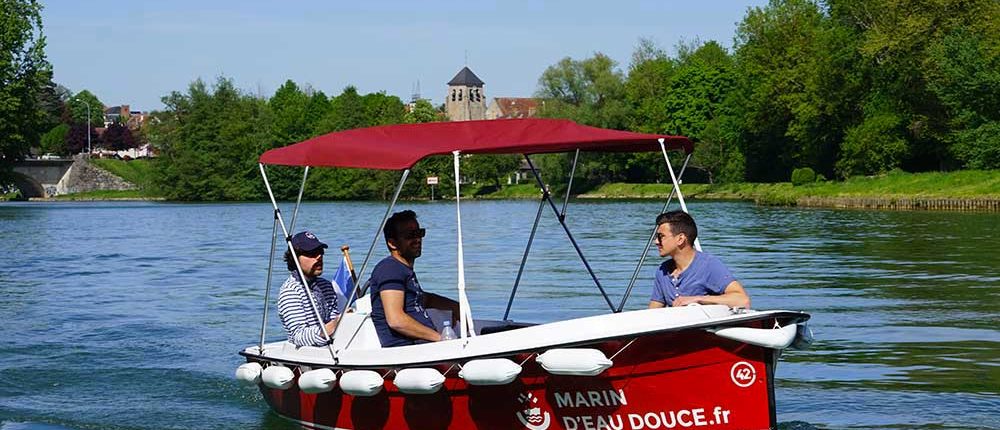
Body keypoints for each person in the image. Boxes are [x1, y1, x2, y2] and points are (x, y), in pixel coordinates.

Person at [368, 210, 460, 347]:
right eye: (410, 235)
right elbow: (396, 320)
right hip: (407, 350)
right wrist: (441, 339)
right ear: (392, 243)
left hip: (424, 346)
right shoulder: (390, 269)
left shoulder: (403, 270)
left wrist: (456, 307)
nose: (417, 239)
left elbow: (422, 299)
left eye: (419, 233)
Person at [648, 211, 750, 309]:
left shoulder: (709, 265)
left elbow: (743, 300)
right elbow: (653, 313)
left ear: (680, 239)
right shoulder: (662, 271)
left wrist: (698, 299)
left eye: (661, 237)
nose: (656, 242)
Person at [277, 231, 341, 347]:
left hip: (333, 346)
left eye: (320, 252)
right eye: (312, 254)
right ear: (295, 258)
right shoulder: (291, 291)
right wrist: (333, 326)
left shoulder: (326, 285)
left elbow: (333, 318)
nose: (319, 257)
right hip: (307, 354)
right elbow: (299, 336)